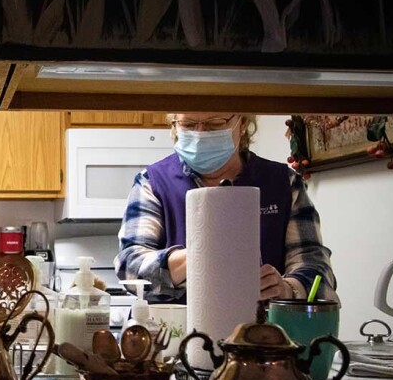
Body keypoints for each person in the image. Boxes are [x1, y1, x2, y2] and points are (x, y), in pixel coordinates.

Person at [115, 113, 337, 304]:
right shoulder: (152, 182)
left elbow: (315, 265)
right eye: (189, 125)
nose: (201, 133)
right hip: (175, 338)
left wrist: (289, 288)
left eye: (215, 123)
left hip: (263, 339)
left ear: (242, 124)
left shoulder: (283, 183)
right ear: (174, 126)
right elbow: (130, 267)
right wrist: (198, 257)